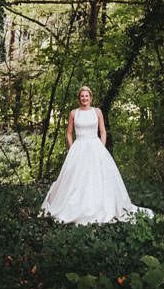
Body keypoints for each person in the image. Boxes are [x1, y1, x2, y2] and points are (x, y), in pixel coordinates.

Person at [40, 85, 150, 224]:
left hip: (95, 146)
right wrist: (71, 148)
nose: (84, 98)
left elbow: (103, 131)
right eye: (82, 96)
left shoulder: (97, 112)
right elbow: (68, 133)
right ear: (79, 98)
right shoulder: (74, 113)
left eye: (87, 96)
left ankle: (100, 206)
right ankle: (76, 208)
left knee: (98, 178)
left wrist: (101, 147)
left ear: (91, 97)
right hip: (79, 147)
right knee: (77, 179)